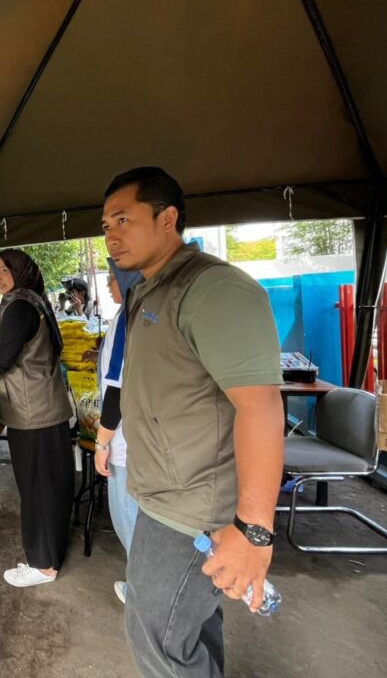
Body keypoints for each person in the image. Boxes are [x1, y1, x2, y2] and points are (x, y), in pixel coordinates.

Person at [102, 167, 283, 677]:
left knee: (157, 638)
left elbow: (262, 408)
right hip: (162, 495)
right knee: (189, 627)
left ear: (168, 219)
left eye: (123, 220)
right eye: (106, 225)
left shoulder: (213, 289)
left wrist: (253, 531)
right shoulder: (150, 290)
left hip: (193, 510)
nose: (111, 235)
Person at [0, 249, 73, 587]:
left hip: (32, 413)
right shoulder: (32, 300)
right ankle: (49, 556)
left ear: (21, 270)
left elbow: (1, 360)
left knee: (38, 488)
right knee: (48, 485)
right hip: (44, 408)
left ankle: (43, 566)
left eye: (5, 270)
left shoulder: (20, 306)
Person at [92, 260, 142, 604]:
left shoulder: (127, 319)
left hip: (125, 443)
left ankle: (142, 594)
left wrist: (102, 442)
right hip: (148, 439)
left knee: (130, 520)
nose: (110, 285)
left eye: (113, 279)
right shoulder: (145, 313)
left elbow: (116, 389)